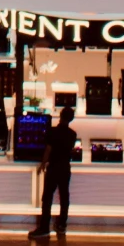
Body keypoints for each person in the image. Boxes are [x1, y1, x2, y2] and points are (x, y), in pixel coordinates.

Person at [31, 98, 78, 238]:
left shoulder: (52, 131)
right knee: (64, 196)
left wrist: (42, 165)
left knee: (47, 197)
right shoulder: (72, 134)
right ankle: (62, 224)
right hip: (65, 167)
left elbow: (48, 150)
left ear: (60, 115)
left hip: (53, 168)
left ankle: (44, 227)